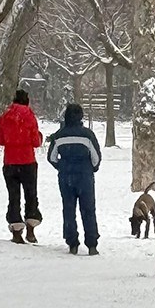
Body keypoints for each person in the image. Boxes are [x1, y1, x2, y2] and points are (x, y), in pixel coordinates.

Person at [46, 103, 102, 255]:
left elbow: (51, 157)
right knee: (88, 210)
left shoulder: (59, 135)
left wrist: (62, 167)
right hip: (85, 176)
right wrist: (91, 168)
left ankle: (72, 242)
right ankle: (92, 244)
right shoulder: (88, 135)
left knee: (69, 209)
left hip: (66, 177)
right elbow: (96, 158)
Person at [0, 89, 43, 244]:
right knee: (31, 194)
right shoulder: (30, 116)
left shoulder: (5, 116)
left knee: (13, 196)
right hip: (28, 161)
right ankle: (31, 226)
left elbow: (0, 140)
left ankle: (16, 229)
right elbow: (36, 142)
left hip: (10, 162)